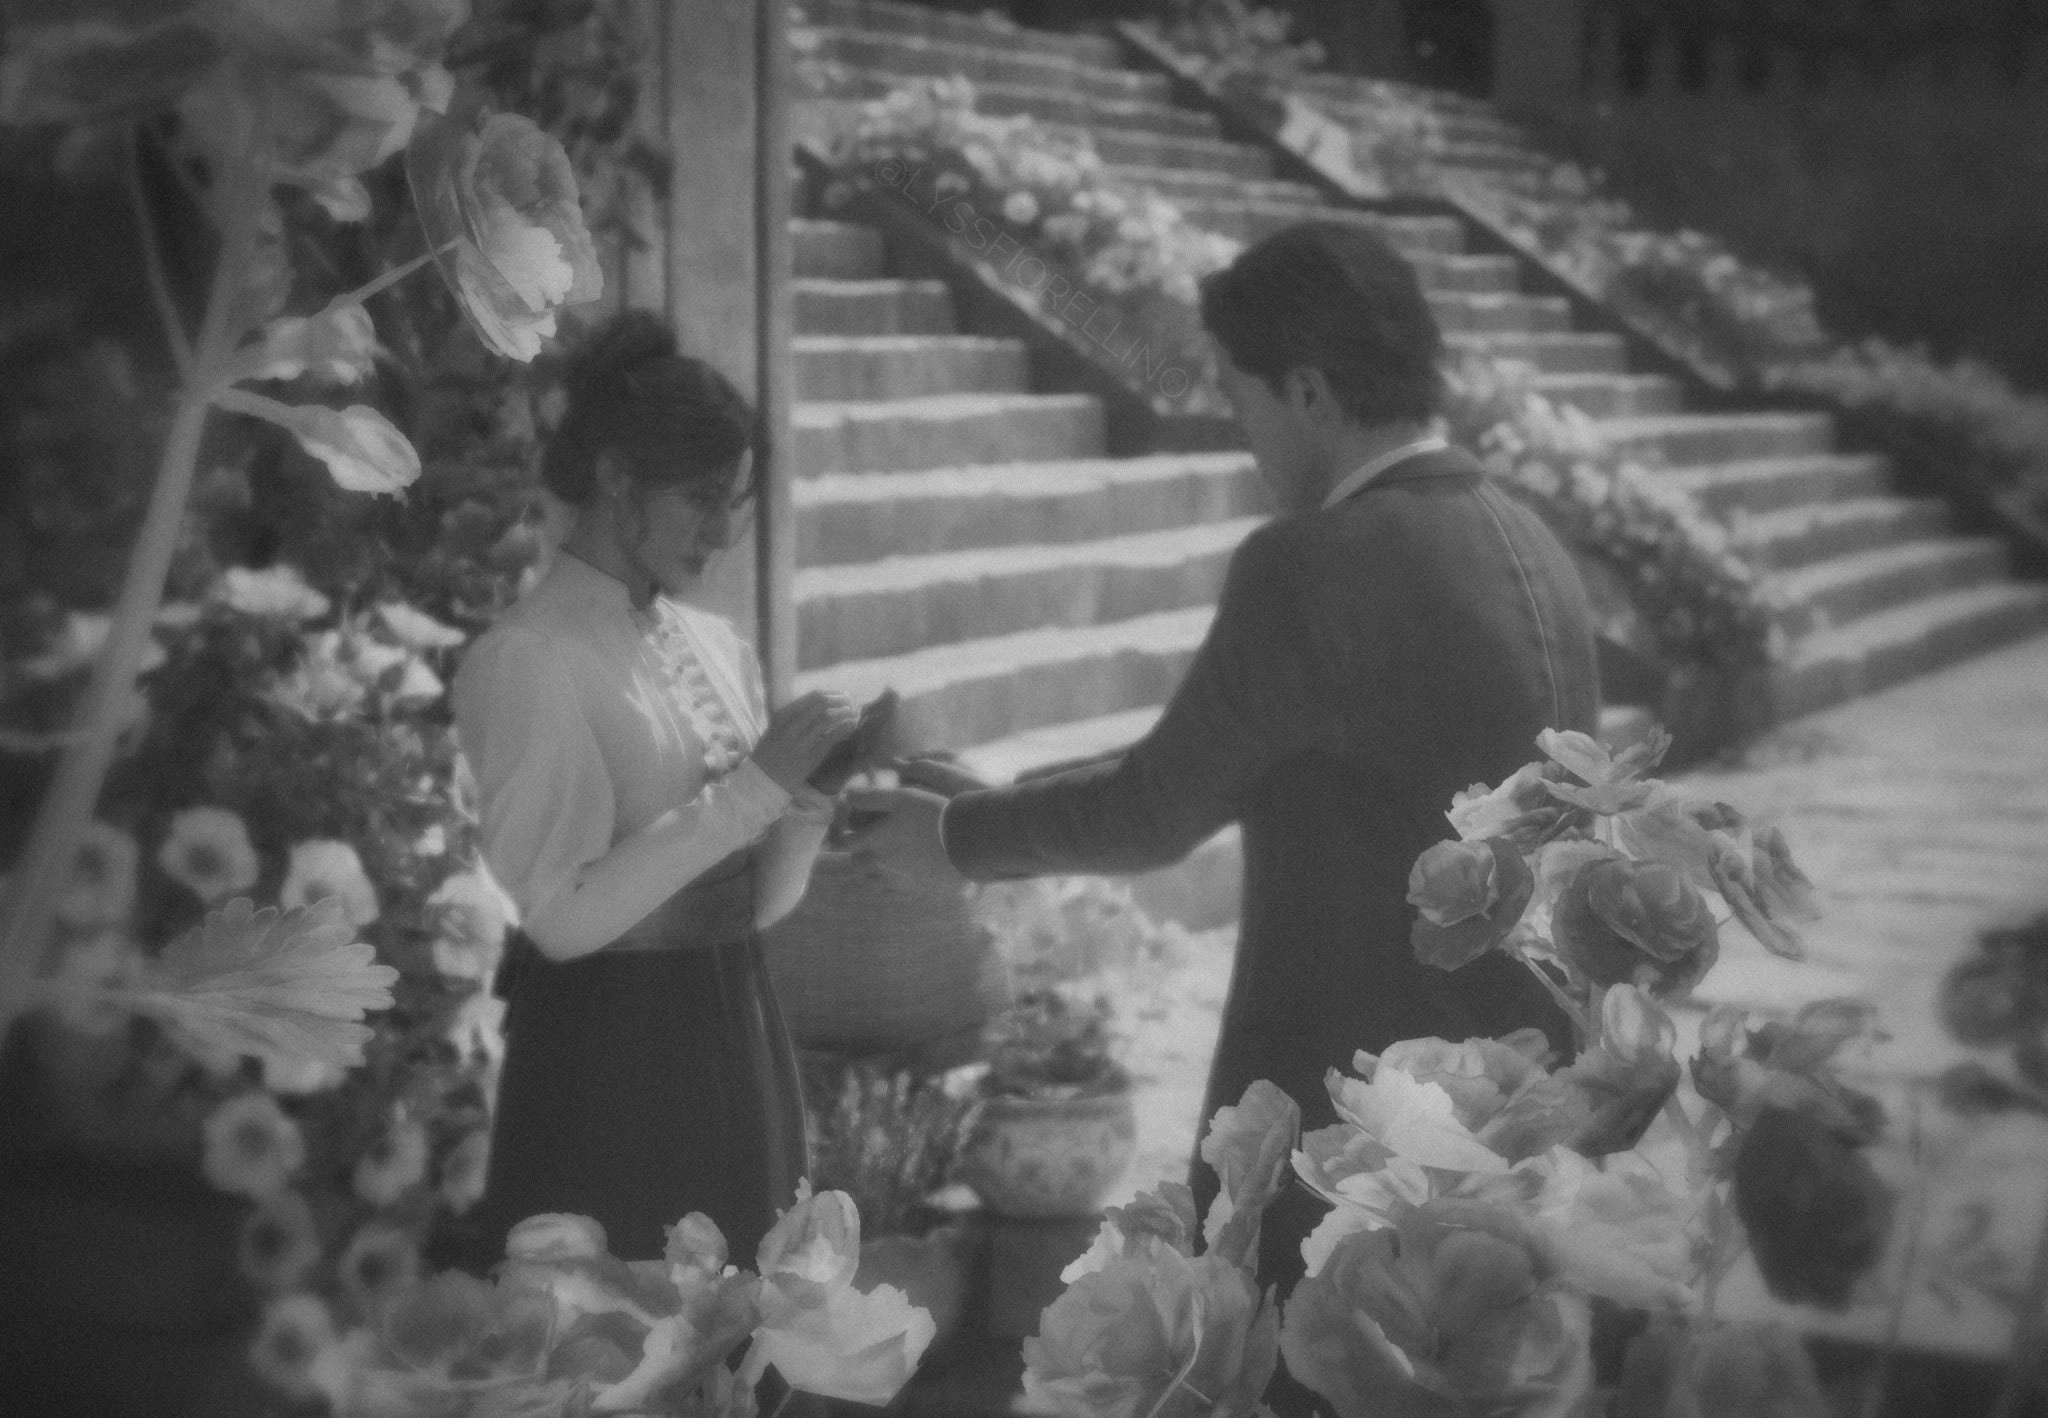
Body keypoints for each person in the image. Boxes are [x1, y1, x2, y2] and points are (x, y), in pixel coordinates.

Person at [856, 221, 1602, 1307]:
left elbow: (1157, 810)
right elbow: (1226, 753)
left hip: (1357, 1117)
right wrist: (986, 799)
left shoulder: (1310, 562)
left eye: (1238, 396)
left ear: (1305, 393)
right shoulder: (1533, 544)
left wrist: (952, 842)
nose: (1240, 433)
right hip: (1520, 1097)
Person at [451, 312, 858, 1266]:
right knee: (626, 1355)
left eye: (736, 503)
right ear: (615, 480)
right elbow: (558, 917)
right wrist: (750, 795)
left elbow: (751, 908)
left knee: (746, 1352)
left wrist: (806, 807)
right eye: (701, 499)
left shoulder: (715, 648)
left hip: (737, 1031)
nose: (722, 533)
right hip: (608, 1062)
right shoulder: (530, 659)